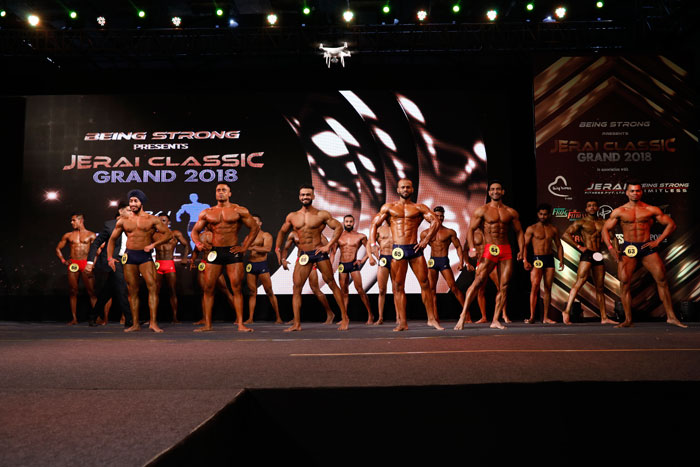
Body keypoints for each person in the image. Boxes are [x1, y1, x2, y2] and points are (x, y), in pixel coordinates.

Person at [602, 180, 686, 328]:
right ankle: (628, 320)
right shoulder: (619, 211)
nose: (635, 193)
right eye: (632, 191)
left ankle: (671, 317)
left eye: (638, 190)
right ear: (627, 193)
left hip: (647, 248)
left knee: (662, 279)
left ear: (641, 192)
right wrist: (610, 248)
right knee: (624, 282)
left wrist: (658, 241)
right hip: (628, 248)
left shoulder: (650, 209)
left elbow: (671, 225)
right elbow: (605, 229)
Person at [369, 179, 442, 331]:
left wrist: (426, 240)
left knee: (425, 283)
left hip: (414, 249)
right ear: (398, 190)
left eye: (408, 187)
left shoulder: (419, 207)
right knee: (398, 286)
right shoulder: (389, 207)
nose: (405, 189)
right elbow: (374, 224)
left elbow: (435, 221)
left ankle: (431, 319)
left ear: (412, 189)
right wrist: (373, 244)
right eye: (403, 187)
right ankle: (402, 322)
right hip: (398, 250)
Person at [275, 184, 349, 331]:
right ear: (299, 197)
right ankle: (296, 324)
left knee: (331, 283)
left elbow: (338, 227)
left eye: (308, 195)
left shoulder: (321, 214)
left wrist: (329, 246)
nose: (305, 197)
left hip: (319, 253)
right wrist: (278, 250)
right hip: (304, 255)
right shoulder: (292, 216)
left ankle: (345, 318)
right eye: (303, 195)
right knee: (296, 288)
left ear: (313, 196)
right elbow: (282, 232)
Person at [454, 180, 525, 330]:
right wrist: (472, 248)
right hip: (490, 249)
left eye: (498, 189)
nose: (495, 191)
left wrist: (522, 250)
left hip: (505, 249)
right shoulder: (482, 210)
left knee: (504, 286)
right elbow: (471, 230)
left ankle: (495, 320)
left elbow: (519, 232)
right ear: (489, 192)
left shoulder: (510, 212)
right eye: (492, 189)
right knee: (478, 281)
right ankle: (463, 315)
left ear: (502, 192)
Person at [191, 183, 259, 332]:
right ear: (215, 193)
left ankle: (240, 324)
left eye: (224, 190)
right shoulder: (207, 212)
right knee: (208, 288)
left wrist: (244, 247)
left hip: (232, 251)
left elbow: (254, 227)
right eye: (218, 190)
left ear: (229, 193)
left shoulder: (238, 210)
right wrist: (198, 244)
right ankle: (207, 324)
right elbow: (194, 231)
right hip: (215, 252)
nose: (220, 192)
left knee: (236, 287)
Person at [106, 189, 172, 333]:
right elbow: (112, 240)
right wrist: (110, 258)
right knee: (132, 290)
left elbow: (168, 234)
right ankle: (135, 324)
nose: (133, 204)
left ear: (141, 202)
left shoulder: (152, 219)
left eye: (135, 201)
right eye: (131, 201)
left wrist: (153, 245)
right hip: (130, 256)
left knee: (152, 287)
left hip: (145, 256)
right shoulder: (123, 220)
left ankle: (153, 323)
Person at [562, 199, 618, 325]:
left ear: (598, 208)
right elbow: (566, 235)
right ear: (586, 209)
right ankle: (566, 311)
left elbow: (613, 237)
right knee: (580, 281)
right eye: (589, 206)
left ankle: (604, 318)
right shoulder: (581, 222)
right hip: (587, 253)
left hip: (598, 254)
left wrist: (615, 251)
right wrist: (579, 246)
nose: (592, 207)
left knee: (600, 287)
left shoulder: (604, 223)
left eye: (594, 205)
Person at [420, 206, 470, 322]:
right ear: (432, 217)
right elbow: (420, 249)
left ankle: (466, 314)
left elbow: (458, 247)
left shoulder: (449, 232)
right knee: (431, 290)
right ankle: (435, 317)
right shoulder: (425, 233)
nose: (439, 218)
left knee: (453, 287)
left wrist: (461, 261)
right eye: (437, 216)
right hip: (432, 261)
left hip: (443, 261)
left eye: (441, 216)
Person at [86, 202, 132, 327]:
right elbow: (96, 243)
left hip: (127, 261)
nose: (131, 213)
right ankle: (130, 320)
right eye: (128, 210)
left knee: (108, 291)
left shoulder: (134, 224)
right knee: (122, 288)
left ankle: (93, 316)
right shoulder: (110, 225)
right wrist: (90, 262)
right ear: (121, 211)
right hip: (113, 261)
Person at [280, 231, 336, 324]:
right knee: (296, 289)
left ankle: (330, 313)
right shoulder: (293, 234)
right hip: (301, 260)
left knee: (315, 288)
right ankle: (296, 318)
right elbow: (286, 248)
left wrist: (318, 259)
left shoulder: (315, 232)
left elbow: (327, 247)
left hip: (312, 260)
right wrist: (283, 259)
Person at [523, 204, 564, 324]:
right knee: (535, 287)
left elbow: (559, 245)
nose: (542, 216)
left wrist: (561, 260)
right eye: (540, 214)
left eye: (545, 214)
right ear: (538, 214)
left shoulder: (553, 229)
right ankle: (532, 317)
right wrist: (525, 260)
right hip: (537, 258)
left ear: (549, 215)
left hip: (549, 258)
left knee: (548, 288)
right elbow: (524, 245)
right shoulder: (532, 228)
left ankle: (546, 317)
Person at [190, 226, 239, 324]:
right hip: (204, 263)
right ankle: (205, 319)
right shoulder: (200, 235)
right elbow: (196, 250)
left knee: (226, 291)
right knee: (205, 292)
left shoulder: (216, 236)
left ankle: (239, 317)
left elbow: (223, 250)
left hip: (214, 264)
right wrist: (192, 261)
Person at [55, 213, 97, 325]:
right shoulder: (68, 235)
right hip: (73, 264)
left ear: (80, 220)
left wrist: (92, 264)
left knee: (91, 291)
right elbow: (58, 248)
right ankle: (74, 318)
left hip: (85, 263)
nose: (71, 222)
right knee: (73, 291)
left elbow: (96, 251)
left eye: (73, 220)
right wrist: (63, 260)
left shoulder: (91, 235)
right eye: (71, 220)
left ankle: (96, 317)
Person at [335, 214, 374, 324]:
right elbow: (333, 252)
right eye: (346, 221)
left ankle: (370, 315)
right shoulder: (338, 237)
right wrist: (330, 264)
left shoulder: (360, 236)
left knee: (360, 290)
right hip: (342, 265)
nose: (348, 223)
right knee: (344, 292)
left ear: (354, 223)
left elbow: (369, 249)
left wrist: (363, 260)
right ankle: (344, 317)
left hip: (353, 265)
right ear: (343, 223)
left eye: (350, 222)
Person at [244, 215, 283, 324]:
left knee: (269, 291)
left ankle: (278, 317)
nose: (253, 222)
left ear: (260, 223)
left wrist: (252, 247)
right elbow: (244, 249)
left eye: (255, 221)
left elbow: (267, 249)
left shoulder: (265, 235)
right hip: (251, 265)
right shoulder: (248, 237)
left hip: (261, 265)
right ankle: (250, 318)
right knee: (252, 292)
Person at [154, 214, 191, 323]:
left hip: (169, 263)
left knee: (172, 290)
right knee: (154, 292)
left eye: (164, 220)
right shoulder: (154, 235)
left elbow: (186, 245)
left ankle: (175, 317)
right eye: (159, 221)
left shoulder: (175, 233)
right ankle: (153, 319)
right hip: (158, 264)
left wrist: (185, 257)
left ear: (169, 222)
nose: (161, 223)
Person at [472, 226, 509, 324]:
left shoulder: (491, 233)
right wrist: (467, 263)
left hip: (492, 261)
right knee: (480, 290)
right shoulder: (472, 234)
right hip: (480, 263)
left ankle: (504, 314)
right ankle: (483, 317)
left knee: (501, 288)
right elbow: (465, 249)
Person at [370, 219, 394, 325]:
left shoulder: (397, 228)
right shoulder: (379, 229)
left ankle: (399, 317)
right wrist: (371, 256)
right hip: (383, 258)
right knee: (381, 290)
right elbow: (369, 244)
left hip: (396, 257)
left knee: (397, 289)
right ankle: (380, 318)